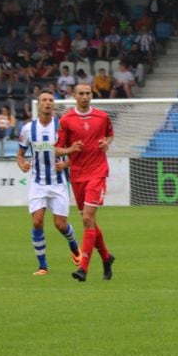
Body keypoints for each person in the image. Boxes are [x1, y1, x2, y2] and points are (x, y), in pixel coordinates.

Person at [17, 90, 81, 275]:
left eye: (51, 100)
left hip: (58, 183)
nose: (48, 103)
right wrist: (22, 165)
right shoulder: (29, 129)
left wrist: (67, 162)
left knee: (60, 225)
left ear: (54, 104)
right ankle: (42, 266)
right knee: (37, 222)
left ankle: (74, 245)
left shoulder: (62, 126)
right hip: (38, 182)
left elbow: (75, 152)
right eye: (44, 100)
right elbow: (20, 155)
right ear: (39, 104)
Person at [56, 83, 116, 282]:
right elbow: (57, 148)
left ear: (92, 95)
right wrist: (69, 151)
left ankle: (83, 268)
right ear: (74, 96)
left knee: (87, 219)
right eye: (81, 94)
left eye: (88, 93)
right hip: (77, 176)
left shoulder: (102, 117)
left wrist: (106, 143)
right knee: (90, 222)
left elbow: (110, 134)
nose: (84, 97)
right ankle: (106, 258)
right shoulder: (66, 120)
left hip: (97, 173)